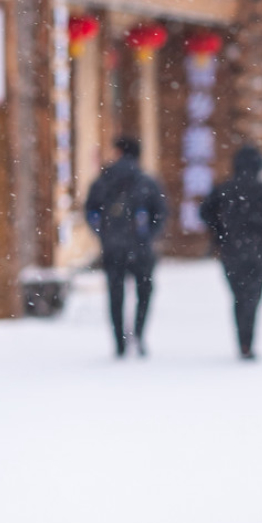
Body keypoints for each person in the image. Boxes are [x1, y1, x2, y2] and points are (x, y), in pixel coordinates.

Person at [198, 144, 262, 361]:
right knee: (253, 298)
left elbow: (205, 212)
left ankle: (243, 341)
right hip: (258, 251)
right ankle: (248, 341)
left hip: (231, 250)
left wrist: (219, 233)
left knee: (238, 297)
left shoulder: (224, 189)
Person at [82, 136, 167, 358]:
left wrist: (103, 234)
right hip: (141, 247)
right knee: (144, 292)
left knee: (115, 294)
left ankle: (119, 340)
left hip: (113, 247)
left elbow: (90, 210)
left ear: (118, 152)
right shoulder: (146, 181)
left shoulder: (103, 180)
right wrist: (147, 235)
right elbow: (160, 213)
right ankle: (138, 333)